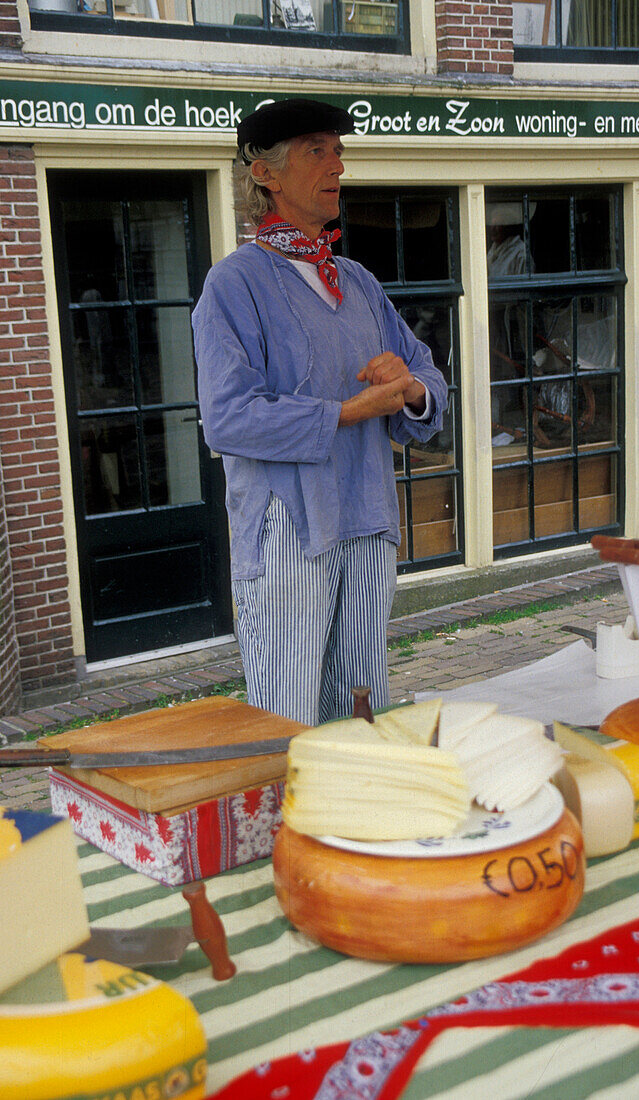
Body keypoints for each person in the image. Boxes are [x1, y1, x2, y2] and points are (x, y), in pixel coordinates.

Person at [192, 98, 448, 725]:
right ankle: (292, 824)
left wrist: (411, 386)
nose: (337, 164)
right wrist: (348, 410)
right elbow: (227, 419)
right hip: (287, 528)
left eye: (339, 151)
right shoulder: (234, 285)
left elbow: (427, 379)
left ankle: (357, 819)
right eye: (317, 150)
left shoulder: (358, 282)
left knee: (364, 706)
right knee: (289, 718)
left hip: (367, 514)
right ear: (265, 174)